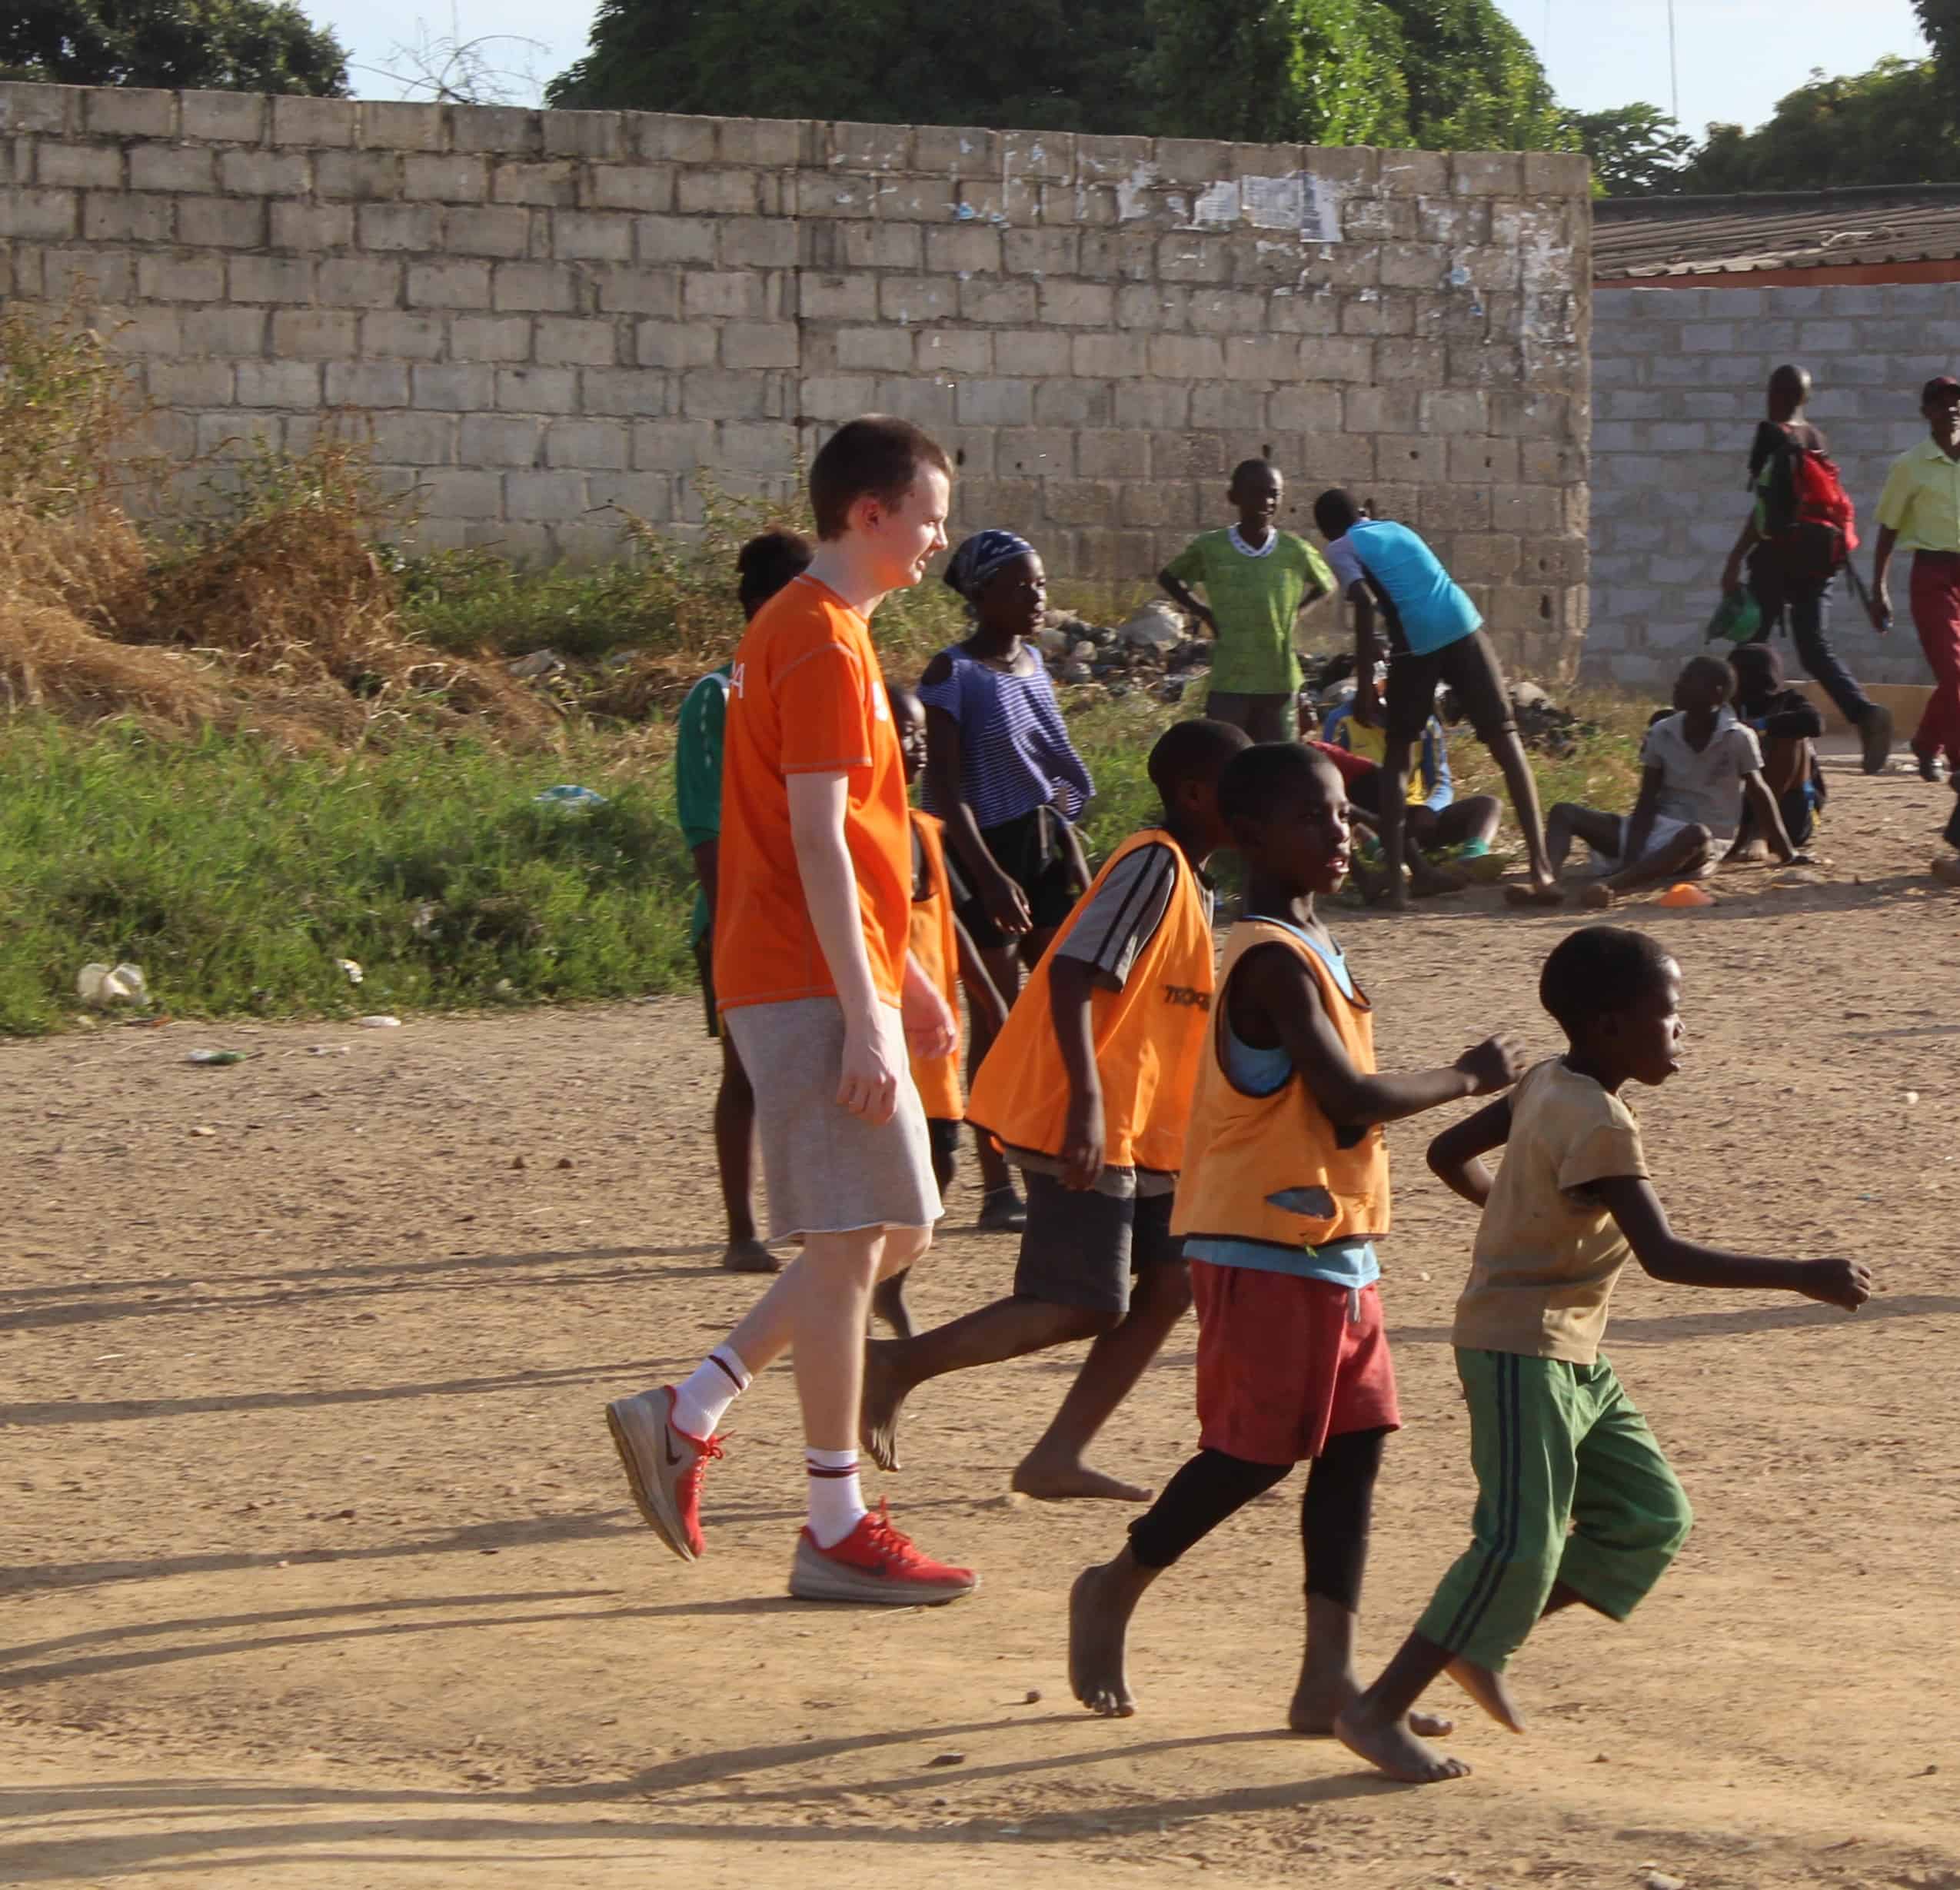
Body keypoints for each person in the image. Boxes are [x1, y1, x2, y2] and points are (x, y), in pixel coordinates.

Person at [1335, 926, 1872, 1784]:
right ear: (1611, 1024)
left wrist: (1522, 1219)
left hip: (1570, 1351)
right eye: (1668, 1012)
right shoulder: (1598, 1121)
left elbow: (1445, 1153)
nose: (1680, 1027)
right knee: (1516, 1542)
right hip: (1519, 1349)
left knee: (1648, 1517)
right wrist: (1798, 1273)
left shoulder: (1547, 1078)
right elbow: (1663, 1256)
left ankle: (1475, 1642)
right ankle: (1376, 1709)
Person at [1066, 741, 1525, 1729]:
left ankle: (1327, 1676)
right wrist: (1464, 1079)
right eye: (1314, 816)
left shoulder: (1312, 945)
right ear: (1249, 834)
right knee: (1254, 1455)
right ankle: (1115, 1581)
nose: (1340, 830)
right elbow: (1347, 1094)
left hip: (1334, 1245)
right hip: (1261, 1248)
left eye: (1343, 813)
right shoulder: (1270, 959)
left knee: (1354, 1450)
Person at [604, 416, 977, 1607]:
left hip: (827, 967)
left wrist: (904, 977)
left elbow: (855, 844)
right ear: (868, 513)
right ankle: (833, 1520)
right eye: (926, 518)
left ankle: (692, 1406)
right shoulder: (814, 637)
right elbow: (814, 837)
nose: (937, 540)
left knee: (894, 1228)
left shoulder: (836, 631)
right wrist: (865, 1011)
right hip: (801, 975)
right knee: (855, 1239)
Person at [857, 719, 1254, 1503]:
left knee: (1172, 1282)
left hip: (1143, 1128)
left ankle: (1057, 1456)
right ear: (1194, 794)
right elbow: (1072, 973)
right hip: (1086, 1115)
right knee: (1079, 1303)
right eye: (1244, 788)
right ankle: (896, 1363)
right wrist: (1086, 1107)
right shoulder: (1153, 864)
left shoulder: (1193, 880)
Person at [920, 530, 1096, 1233]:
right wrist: (989, 878)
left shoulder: (1032, 664)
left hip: (1041, 844)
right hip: (981, 850)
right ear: (980, 593)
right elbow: (946, 788)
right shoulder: (952, 673)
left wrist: (1070, 846)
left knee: (1063, 1007)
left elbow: (1045, 775)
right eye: (1021, 585)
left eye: (1041, 584)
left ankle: (1053, 1160)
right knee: (996, 1015)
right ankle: (997, 1184)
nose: (1036, 596)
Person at [674, 527, 814, 1274]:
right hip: (742, 916)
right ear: (765, 604)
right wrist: (735, 924)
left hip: (812, 912)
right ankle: (741, 1229)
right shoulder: (716, 698)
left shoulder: (811, 682)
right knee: (747, 1073)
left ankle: (814, 1218)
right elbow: (706, 830)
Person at [1312, 488, 1559, 909]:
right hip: (1464, 625)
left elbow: (1365, 602)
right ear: (1366, 511)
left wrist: (1367, 683)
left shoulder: (1339, 547)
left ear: (1326, 531)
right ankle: (1542, 869)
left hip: (1417, 640)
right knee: (1506, 740)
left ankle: (1398, 885)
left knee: (1398, 758)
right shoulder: (1397, 528)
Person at [878, 684, 1013, 1337]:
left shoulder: (923, 830)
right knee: (882, 1171)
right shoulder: (853, 828)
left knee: (942, 1158)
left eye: (921, 734)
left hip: (931, 1038)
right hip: (880, 1027)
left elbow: (947, 921)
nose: (918, 746)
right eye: (904, 732)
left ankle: (886, 1282)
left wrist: (989, 998)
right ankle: (854, 1289)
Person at [1721, 364, 1893, 774]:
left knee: (1751, 644)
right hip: (1821, 557)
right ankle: (1865, 714)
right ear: (1806, 397)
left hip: (1777, 556)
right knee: (1814, 648)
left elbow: (1764, 507)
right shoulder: (1817, 438)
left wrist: (1735, 558)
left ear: (1774, 394)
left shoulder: (1771, 433)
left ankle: (1725, 728)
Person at [1542, 655, 1807, 907]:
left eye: (1688, 681)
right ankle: (1547, 882)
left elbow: (1759, 793)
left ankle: (1613, 886)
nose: (1677, 686)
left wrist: (1787, 853)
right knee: (1564, 812)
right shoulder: (1662, 732)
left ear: (1716, 693)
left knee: (1696, 834)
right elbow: (1647, 800)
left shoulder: (1738, 737)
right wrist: (1632, 854)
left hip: (1702, 842)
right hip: (1656, 829)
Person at [1160, 459, 1335, 743]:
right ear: (1234, 497)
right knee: (1227, 754)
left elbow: (1326, 584)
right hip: (1230, 676)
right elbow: (1169, 578)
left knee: (1276, 756)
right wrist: (1204, 612)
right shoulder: (1211, 547)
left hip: (1278, 676)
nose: (1266, 502)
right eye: (1256, 493)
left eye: (1274, 494)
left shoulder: (1294, 550)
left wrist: (1296, 613)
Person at [1871, 374, 1960, 785]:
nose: (1952, 409)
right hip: (1933, 576)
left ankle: (1927, 743)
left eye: (1957, 401)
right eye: (1942, 403)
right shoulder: (1910, 466)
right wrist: (1879, 587)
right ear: (1926, 412)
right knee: (1954, 671)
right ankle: (1953, 757)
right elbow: (1888, 529)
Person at [1322, 686, 1502, 885]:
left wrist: (1430, 809)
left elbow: (1441, 781)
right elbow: (1334, 788)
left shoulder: (1423, 722)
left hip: (1414, 817)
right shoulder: (1342, 721)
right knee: (1354, 818)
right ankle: (1384, 856)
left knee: (1488, 805)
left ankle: (1471, 859)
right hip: (1372, 819)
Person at [1726, 641, 1826, 857]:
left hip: (1792, 813)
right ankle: (1745, 833)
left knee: (1792, 738)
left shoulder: (1788, 701)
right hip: (1739, 810)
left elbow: (1815, 723)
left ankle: (1761, 832)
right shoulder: (1730, 707)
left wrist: (1760, 726)